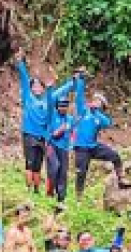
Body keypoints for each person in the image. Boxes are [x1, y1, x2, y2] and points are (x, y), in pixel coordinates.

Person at [16, 50, 84, 194]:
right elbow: (23, 77)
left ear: (43, 87)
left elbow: (63, 90)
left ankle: (36, 190)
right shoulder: (28, 97)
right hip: (29, 134)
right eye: (33, 86)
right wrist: (20, 63)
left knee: (38, 164)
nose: (36, 88)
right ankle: (29, 190)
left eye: (39, 86)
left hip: (43, 136)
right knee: (29, 162)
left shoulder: (49, 99)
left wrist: (74, 80)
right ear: (30, 88)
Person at [69, 92, 131, 195]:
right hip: (81, 148)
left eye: (99, 102)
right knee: (81, 173)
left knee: (115, 156)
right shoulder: (83, 111)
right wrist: (79, 82)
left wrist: (96, 112)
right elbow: (79, 99)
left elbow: (108, 123)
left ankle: (121, 179)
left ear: (102, 106)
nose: (96, 103)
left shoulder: (99, 117)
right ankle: (78, 196)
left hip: (93, 147)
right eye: (95, 100)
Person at [45, 96, 74, 202]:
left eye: (65, 106)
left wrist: (71, 144)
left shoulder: (70, 119)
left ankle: (61, 197)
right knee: (54, 167)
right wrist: (60, 130)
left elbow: (72, 133)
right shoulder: (52, 116)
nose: (63, 108)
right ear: (57, 107)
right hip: (52, 145)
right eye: (61, 106)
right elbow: (54, 134)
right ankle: (49, 191)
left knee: (63, 173)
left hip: (64, 148)